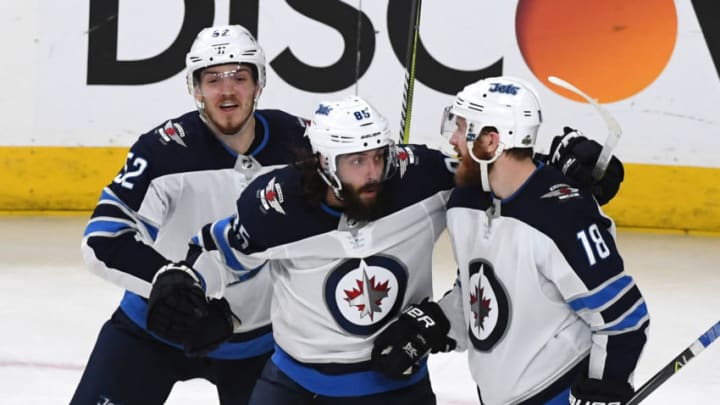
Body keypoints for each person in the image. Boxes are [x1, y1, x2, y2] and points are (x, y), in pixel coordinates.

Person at [145, 91, 626, 404]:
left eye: (377, 156)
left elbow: (500, 167)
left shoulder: (417, 177)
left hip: (397, 385)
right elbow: (218, 251)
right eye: (356, 162)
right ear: (323, 162)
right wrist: (182, 280)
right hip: (292, 388)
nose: (372, 172)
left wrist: (563, 166)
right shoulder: (279, 205)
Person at [72, 24, 311, 405]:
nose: (227, 89)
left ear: (259, 83)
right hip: (154, 328)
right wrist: (170, 283)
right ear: (196, 89)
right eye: (213, 79)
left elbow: (352, 210)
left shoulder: (300, 145)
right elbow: (104, 238)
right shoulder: (163, 151)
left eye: (239, 77)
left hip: (264, 343)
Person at [373, 76, 649, 405]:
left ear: (491, 141)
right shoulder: (466, 203)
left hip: (556, 393)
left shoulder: (564, 216)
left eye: (461, 128)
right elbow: (477, 293)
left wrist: (605, 391)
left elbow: (623, 317)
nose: (453, 140)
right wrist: (437, 323)